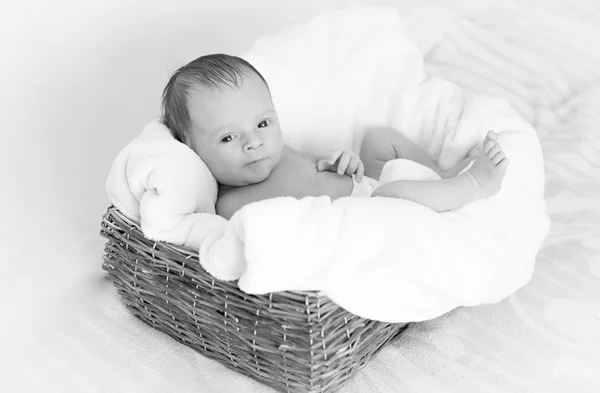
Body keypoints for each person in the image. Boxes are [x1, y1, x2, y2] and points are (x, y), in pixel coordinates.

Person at [161, 54, 509, 219]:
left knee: (379, 139)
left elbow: (319, 169)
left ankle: (441, 175)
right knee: (394, 193)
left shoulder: (278, 154)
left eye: (263, 124)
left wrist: (341, 163)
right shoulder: (230, 206)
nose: (253, 142)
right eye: (227, 138)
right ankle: (473, 186)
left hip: (364, 185)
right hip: (370, 212)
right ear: (190, 149)